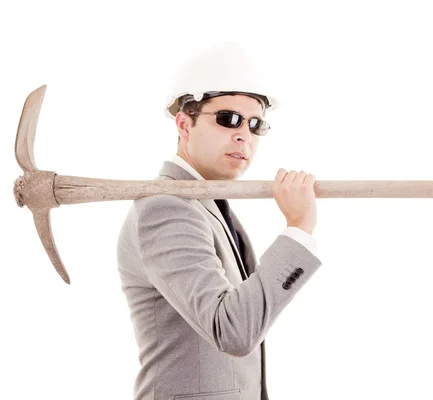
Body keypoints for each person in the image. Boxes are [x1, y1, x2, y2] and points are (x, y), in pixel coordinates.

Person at [116, 41, 322, 400]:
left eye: (255, 124)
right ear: (184, 124)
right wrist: (298, 230)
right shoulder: (167, 206)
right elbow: (234, 331)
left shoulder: (206, 204)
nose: (244, 134)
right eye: (228, 119)